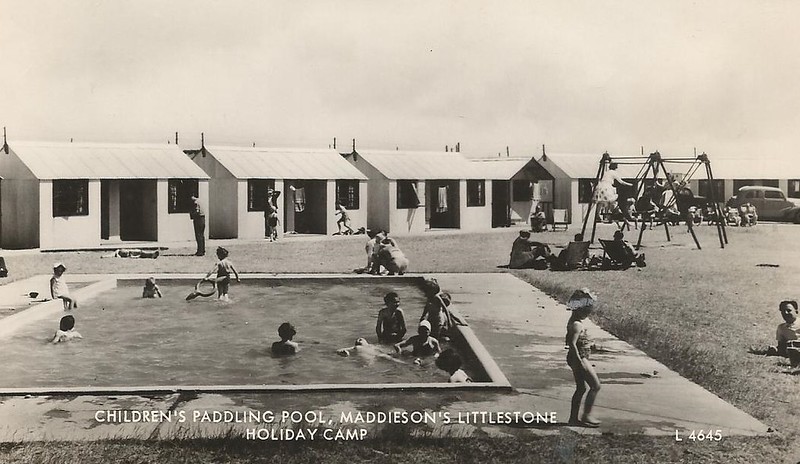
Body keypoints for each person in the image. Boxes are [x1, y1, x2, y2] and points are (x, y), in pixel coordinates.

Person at [565, 289, 601, 427]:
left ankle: (573, 418)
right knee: (595, 386)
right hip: (579, 358)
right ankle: (586, 416)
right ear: (578, 309)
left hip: (577, 357)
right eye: (586, 310)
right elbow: (572, 344)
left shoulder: (575, 321)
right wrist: (580, 362)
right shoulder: (577, 324)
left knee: (581, 388)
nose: (588, 313)